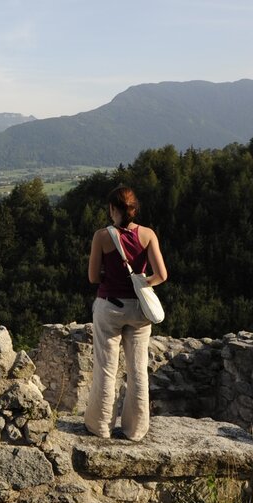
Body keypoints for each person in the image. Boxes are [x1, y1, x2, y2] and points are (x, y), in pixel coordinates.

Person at [83, 185, 168, 441]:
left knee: (107, 368)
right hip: (139, 310)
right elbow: (161, 275)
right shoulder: (148, 234)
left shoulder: (102, 236)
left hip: (109, 306)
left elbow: (91, 277)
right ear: (135, 209)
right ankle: (136, 429)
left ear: (112, 210)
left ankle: (100, 426)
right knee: (138, 369)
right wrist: (141, 283)